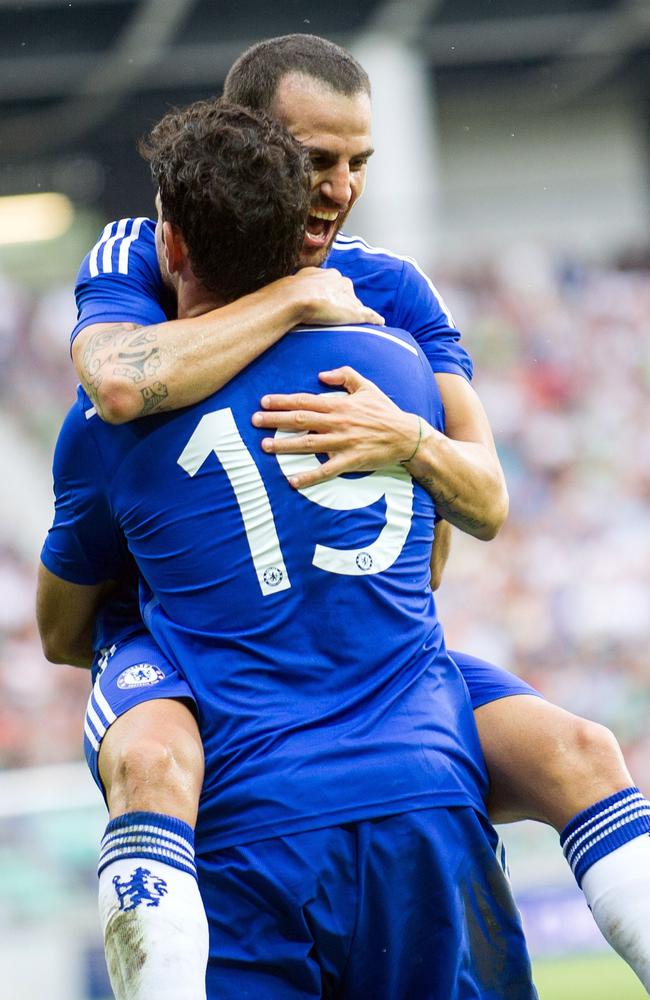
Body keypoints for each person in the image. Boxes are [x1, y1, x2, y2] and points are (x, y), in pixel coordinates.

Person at [40, 32, 650, 991]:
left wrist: (408, 443)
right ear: (253, 148)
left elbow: (483, 501)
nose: (338, 187)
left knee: (580, 748)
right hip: (215, 665)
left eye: (359, 162)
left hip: (365, 657)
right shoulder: (139, 249)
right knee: (155, 754)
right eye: (316, 160)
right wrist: (292, 302)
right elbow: (118, 380)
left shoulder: (395, 290)